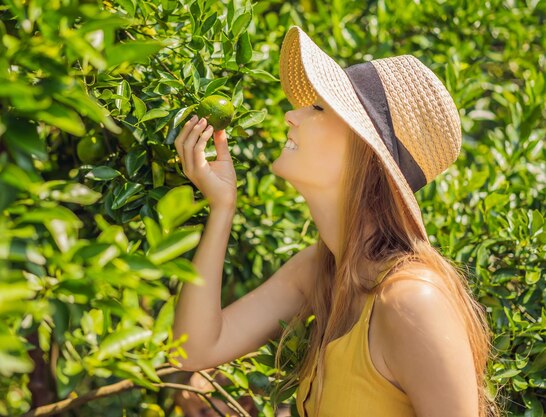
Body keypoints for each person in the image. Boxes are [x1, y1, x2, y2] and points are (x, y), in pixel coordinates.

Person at [171, 25, 499, 417]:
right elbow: (194, 350)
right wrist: (222, 207)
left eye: (319, 108)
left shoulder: (411, 302)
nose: (292, 114)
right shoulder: (322, 270)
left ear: (365, 152)